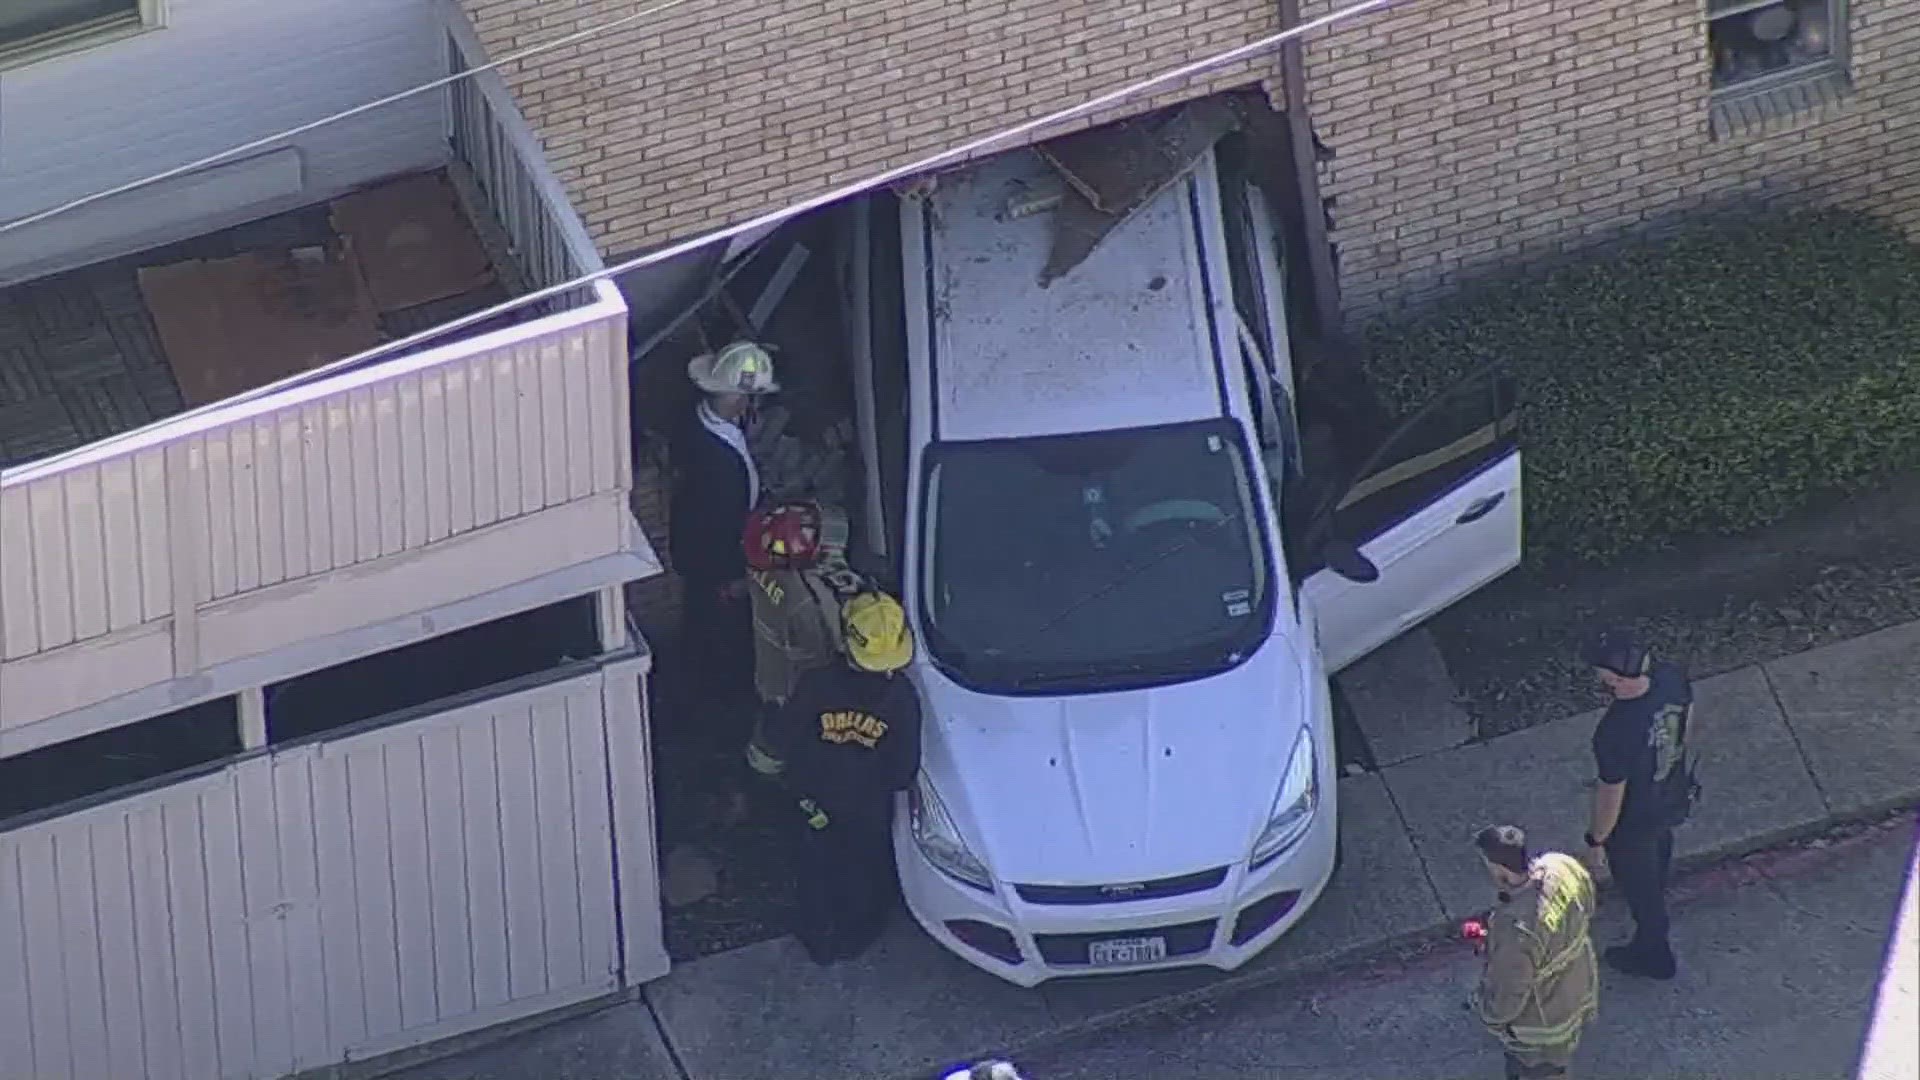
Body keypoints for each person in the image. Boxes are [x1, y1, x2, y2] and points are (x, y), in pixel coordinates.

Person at [757, 590, 923, 963]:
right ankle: (854, 937)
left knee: (814, 868)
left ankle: (815, 936)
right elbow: (903, 770)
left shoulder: (815, 684)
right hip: (868, 811)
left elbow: (786, 736)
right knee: (866, 875)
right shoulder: (902, 698)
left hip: (813, 801)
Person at [1580, 627, 1696, 980]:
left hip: (1634, 821)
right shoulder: (1670, 679)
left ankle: (1654, 953)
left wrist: (1595, 841)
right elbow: (1687, 721)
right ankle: (1656, 890)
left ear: (1615, 680)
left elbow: (1611, 795)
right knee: (1660, 851)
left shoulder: (1614, 732)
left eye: (1601, 676)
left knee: (1640, 887)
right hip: (1671, 795)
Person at [668, 341, 779, 707]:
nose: (750, 405)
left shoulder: (700, 420)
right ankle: (714, 705)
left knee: (703, 629)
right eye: (746, 397)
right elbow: (714, 526)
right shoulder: (715, 461)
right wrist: (731, 578)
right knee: (718, 639)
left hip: (702, 558)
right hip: (716, 567)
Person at [738, 500, 863, 771]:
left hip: (769, 678)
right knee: (785, 751)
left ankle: (761, 768)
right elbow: (825, 655)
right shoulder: (804, 604)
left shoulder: (762, 563)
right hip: (793, 691)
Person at [1470, 825, 1600, 1080]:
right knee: (1560, 1055)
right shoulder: (1561, 866)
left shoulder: (1515, 930)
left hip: (1544, 1017)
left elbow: (1508, 995)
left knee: (1539, 1067)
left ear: (1499, 871)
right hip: (1579, 982)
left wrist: (1490, 1017)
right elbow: (1589, 900)